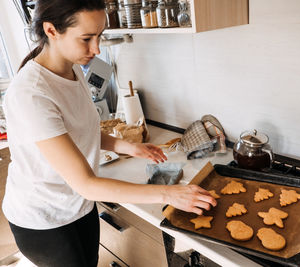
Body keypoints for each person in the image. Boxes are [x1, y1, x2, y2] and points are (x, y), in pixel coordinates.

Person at [1, 1, 216, 266]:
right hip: (44, 219)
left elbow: (81, 130)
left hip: (77, 206)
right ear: (51, 30)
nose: (97, 49)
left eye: (99, 35)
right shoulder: (32, 94)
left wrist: (128, 147)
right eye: (87, 38)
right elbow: (87, 185)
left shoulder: (72, 68)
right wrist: (169, 194)